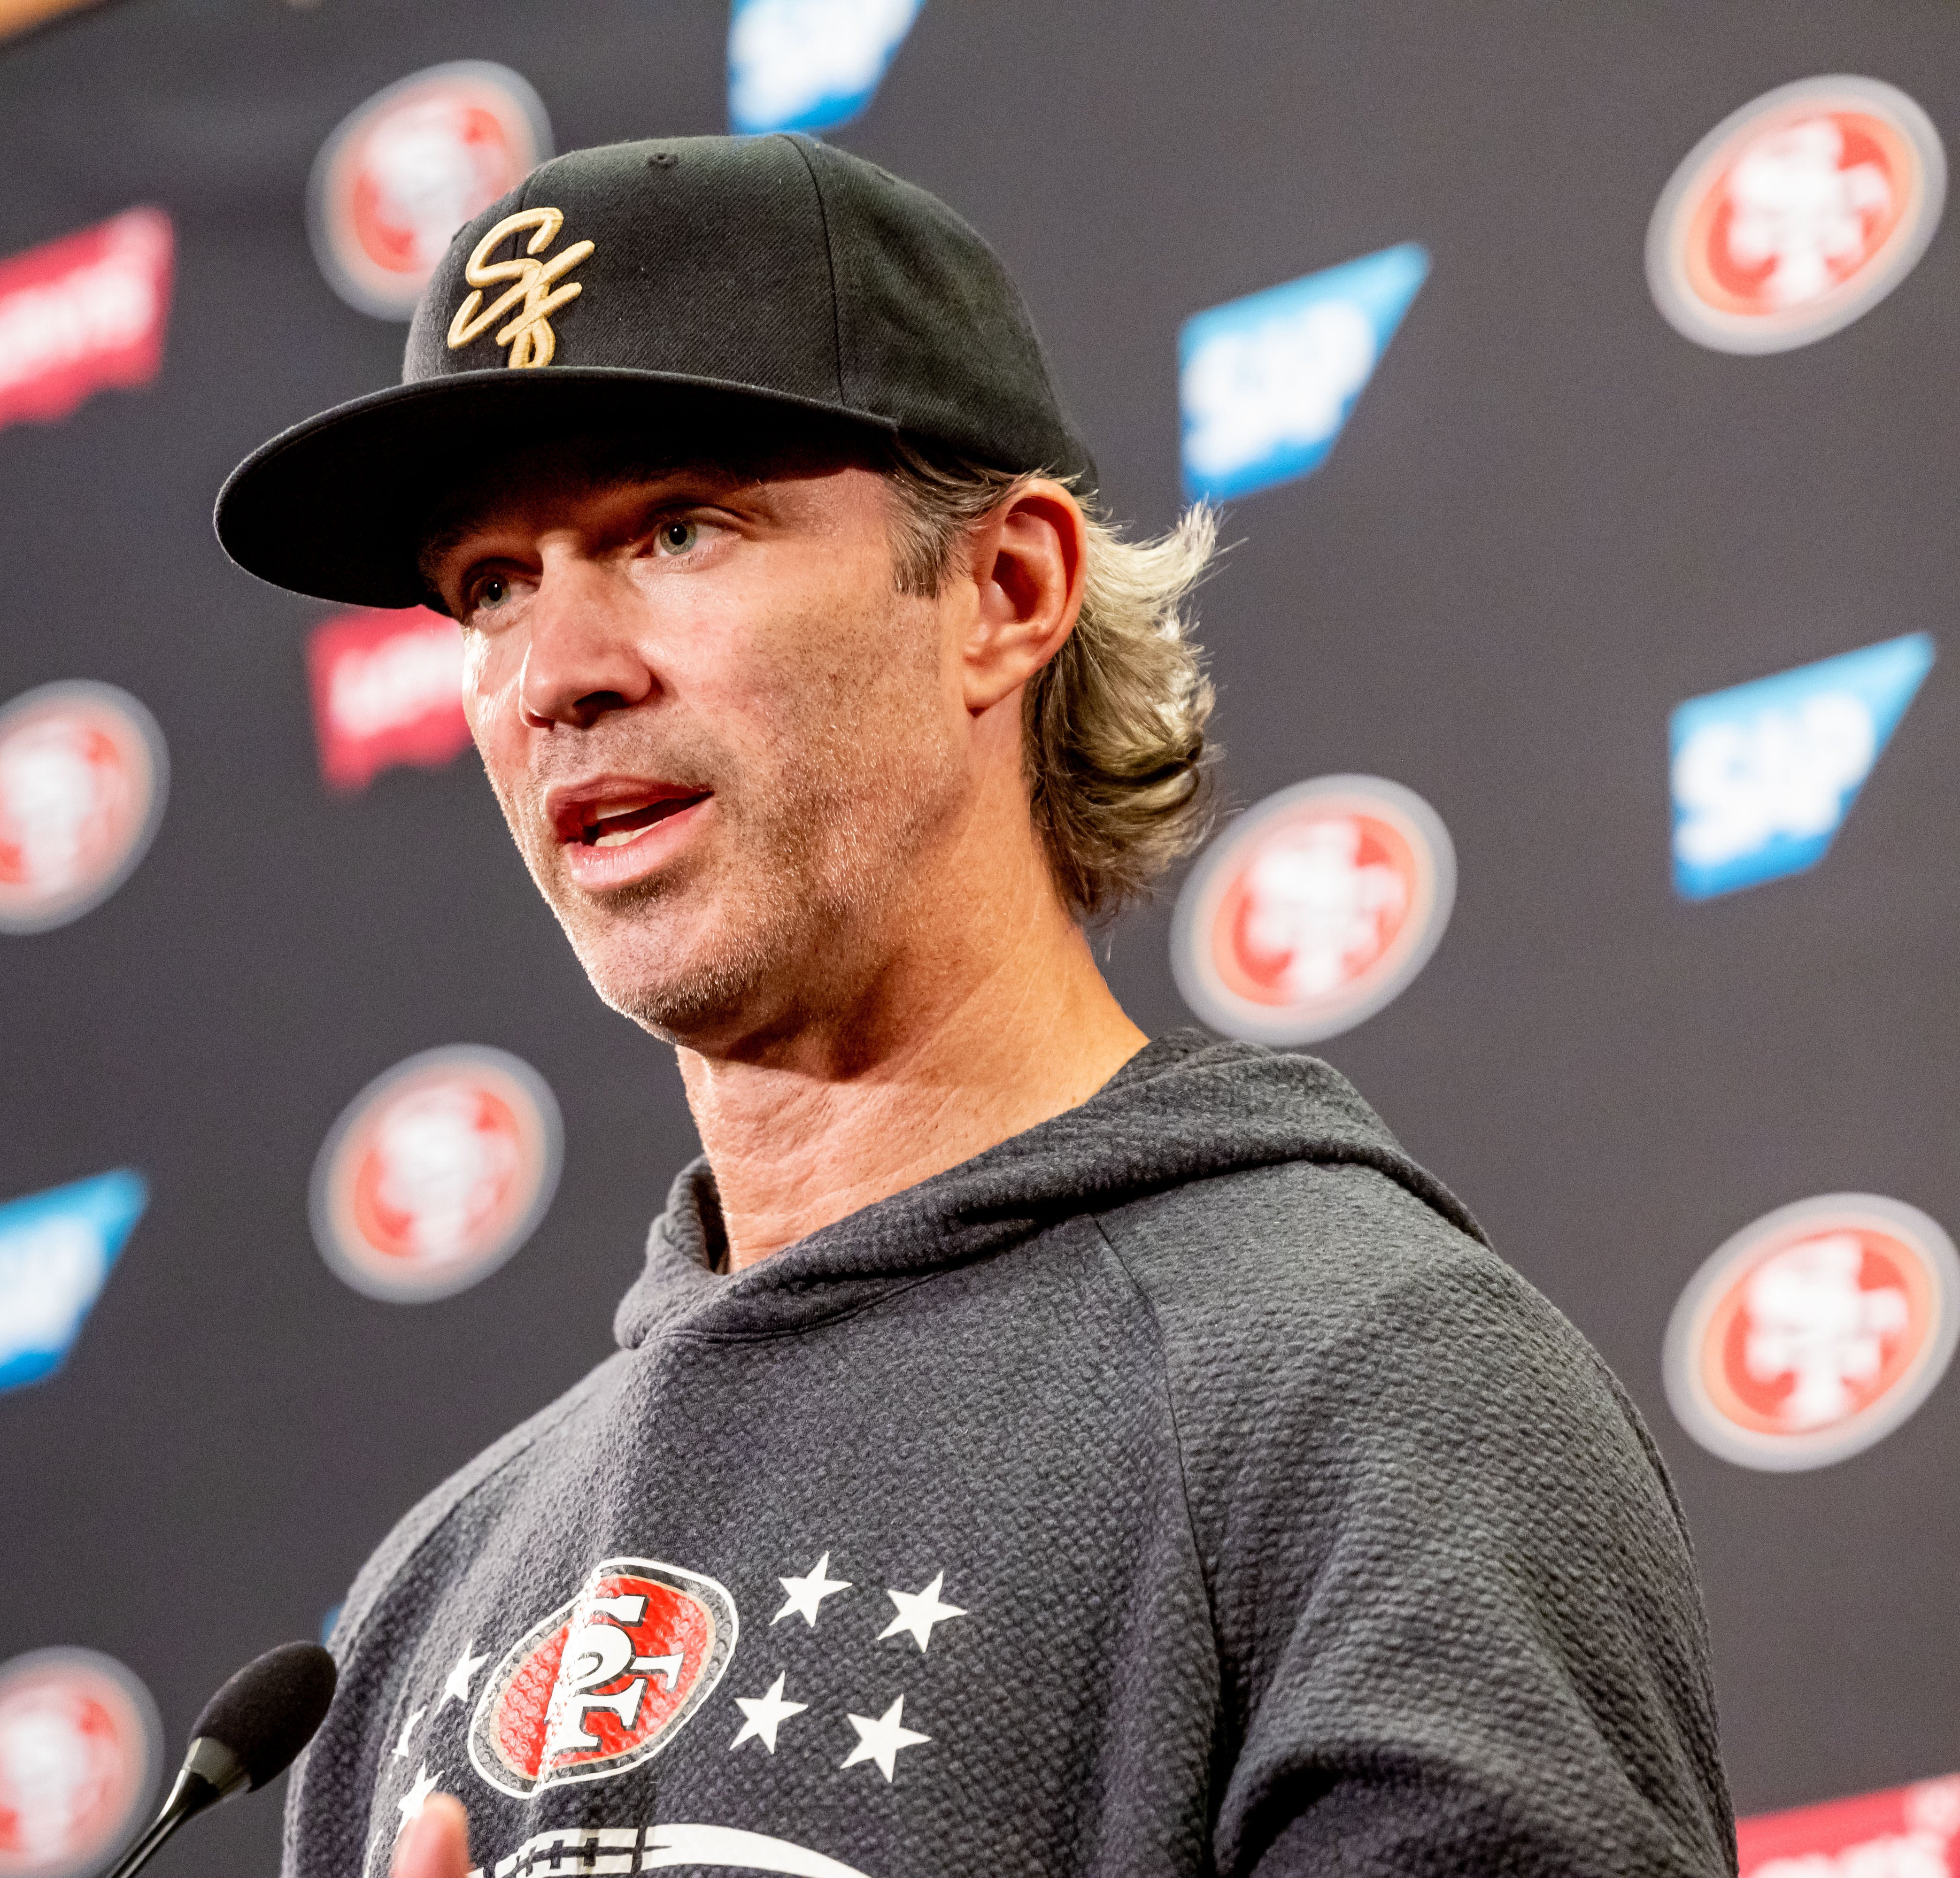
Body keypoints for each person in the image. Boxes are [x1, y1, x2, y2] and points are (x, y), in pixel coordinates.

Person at [216, 133, 1735, 1878]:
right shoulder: (435, 1594)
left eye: (678, 531)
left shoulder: (1372, 1390)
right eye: (490, 586)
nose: (559, 674)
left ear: (1003, 595)